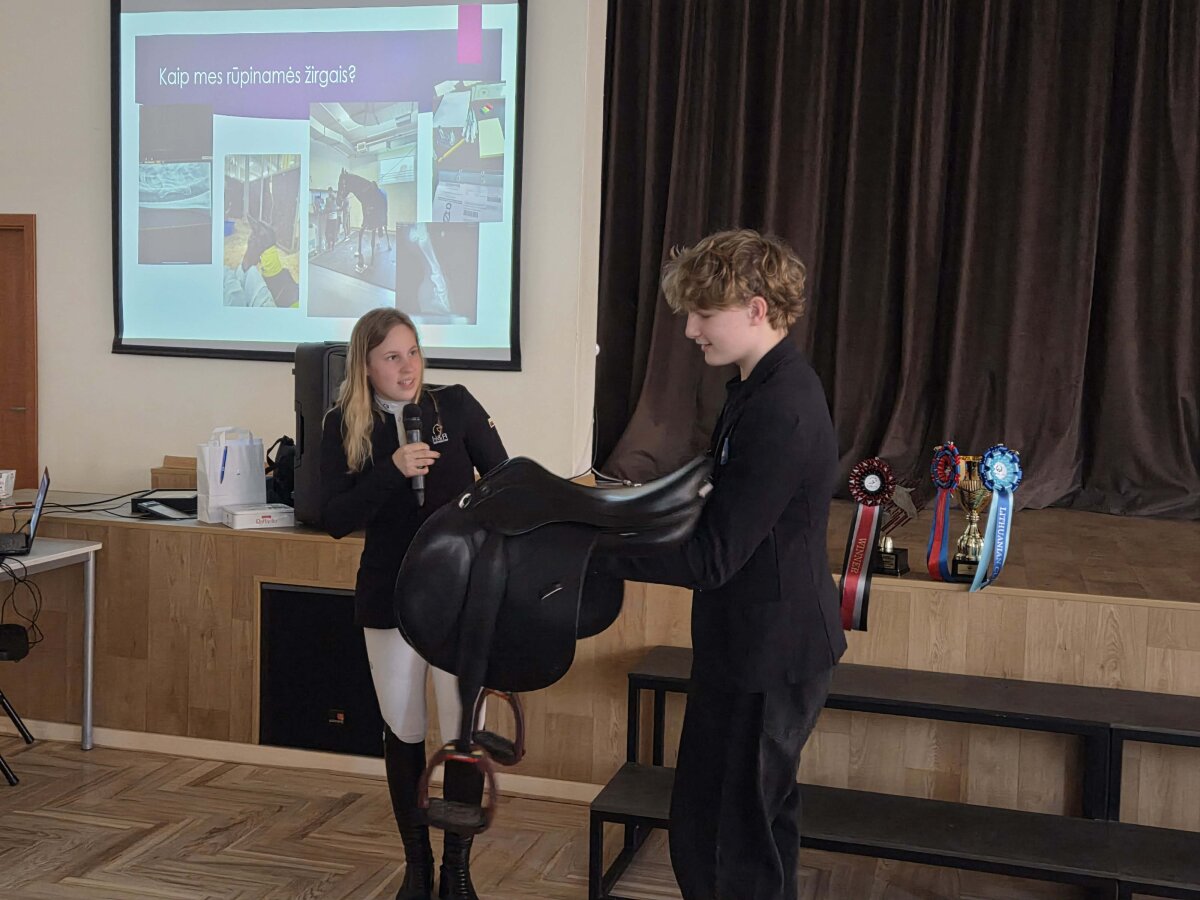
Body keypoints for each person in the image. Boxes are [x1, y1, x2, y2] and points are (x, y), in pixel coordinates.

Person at [595, 229, 846, 899]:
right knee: (746, 831)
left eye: (704, 313)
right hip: (750, 644)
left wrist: (596, 549)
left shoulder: (781, 407)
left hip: (771, 653)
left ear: (757, 309)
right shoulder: (756, 387)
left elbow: (712, 557)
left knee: (726, 844)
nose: (690, 330)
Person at [320, 307, 507, 900]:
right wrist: (391, 471)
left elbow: (505, 483)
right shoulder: (342, 425)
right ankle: (418, 867)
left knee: (463, 735)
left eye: (414, 352)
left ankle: (457, 870)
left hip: (462, 597)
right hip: (389, 597)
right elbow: (332, 518)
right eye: (391, 357)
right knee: (403, 731)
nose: (407, 368)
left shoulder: (455, 406)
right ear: (366, 366)